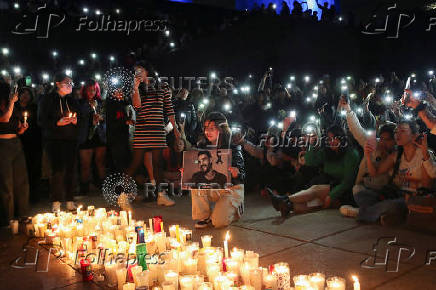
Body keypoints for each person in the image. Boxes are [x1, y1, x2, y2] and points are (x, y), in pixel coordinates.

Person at [355, 120, 436, 225]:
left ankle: (362, 213)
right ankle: (380, 214)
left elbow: (427, 185)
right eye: (396, 131)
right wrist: (368, 156)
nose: (397, 134)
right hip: (397, 195)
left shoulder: (424, 154)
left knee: (391, 205)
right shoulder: (396, 155)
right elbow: (374, 173)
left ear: (414, 135)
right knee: (360, 192)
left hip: (414, 199)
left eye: (402, 131)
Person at [270, 124, 361, 216]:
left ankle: (283, 200)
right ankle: (287, 206)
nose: (332, 141)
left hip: (344, 192)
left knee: (315, 189)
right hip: (330, 186)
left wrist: (331, 196)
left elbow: (348, 182)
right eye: (329, 139)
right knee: (315, 201)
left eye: (335, 138)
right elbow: (309, 161)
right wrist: (313, 144)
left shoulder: (351, 154)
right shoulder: (328, 151)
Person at [126, 61, 180, 206]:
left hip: (157, 130)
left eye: (140, 70)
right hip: (143, 130)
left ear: (147, 71)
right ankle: (122, 193)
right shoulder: (136, 88)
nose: (137, 73)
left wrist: (176, 129)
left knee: (158, 163)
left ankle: (161, 195)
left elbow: (169, 109)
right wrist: (135, 88)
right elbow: (137, 106)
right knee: (136, 162)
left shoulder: (163, 86)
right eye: (135, 71)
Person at [191, 112, 245, 228]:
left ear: (221, 129)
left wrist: (237, 173)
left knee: (218, 222)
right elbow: (197, 167)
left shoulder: (233, 147)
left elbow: (242, 174)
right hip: (213, 186)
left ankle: (236, 208)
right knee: (194, 182)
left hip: (231, 189)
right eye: (206, 128)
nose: (207, 132)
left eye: (211, 129)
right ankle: (204, 216)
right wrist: (187, 171)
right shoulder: (203, 147)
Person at [38, 73, 78, 212]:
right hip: (54, 140)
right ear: (57, 84)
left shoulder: (72, 100)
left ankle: (70, 200)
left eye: (71, 83)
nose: (70, 85)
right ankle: (56, 201)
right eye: (67, 83)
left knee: (71, 171)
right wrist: (56, 123)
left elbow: (81, 117)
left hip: (71, 140)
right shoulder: (47, 100)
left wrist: (76, 121)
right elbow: (41, 120)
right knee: (58, 171)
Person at [0, 81, 29, 232]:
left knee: (21, 180)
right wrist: (11, 102)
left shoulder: (14, 104)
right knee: (7, 183)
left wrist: (22, 128)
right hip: (2, 145)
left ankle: (23, 213)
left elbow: (16, 125)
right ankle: (7, 218)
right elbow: (4, 119)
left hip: (16, 143)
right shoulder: (7, 104)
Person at [77, 80, 106, 196]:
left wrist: (101, 118)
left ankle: (103, 186)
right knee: (85, 164)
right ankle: (84, 187)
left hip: (99, 136)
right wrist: (90, 109)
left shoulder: (100, 102)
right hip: (85, 137)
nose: (91, 92)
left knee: (100, 162)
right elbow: (79, 116)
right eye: (89, 89)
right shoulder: (80, 103)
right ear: (85, 90)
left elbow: (105, 117)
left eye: (93, 89)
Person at [15, 86, 42, 203]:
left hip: (34, 143)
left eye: (28, 94)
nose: (25, 96)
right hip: (18, 142)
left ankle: (34, 196)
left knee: (34, 169)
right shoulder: (14, 108)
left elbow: (39, 124)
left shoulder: (34, 108)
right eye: (23, 93)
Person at [106, 89, 132, 173]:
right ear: (112, 94)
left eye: (122, 92)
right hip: (115, 137)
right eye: (118, 92)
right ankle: (117, 180)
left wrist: (127, 120)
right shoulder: (111, 105)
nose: (121, 94)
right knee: (118, 161)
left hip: (123, 136)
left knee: (123, 160)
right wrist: (125, 121)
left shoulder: (122, 104)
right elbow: (110, 121)